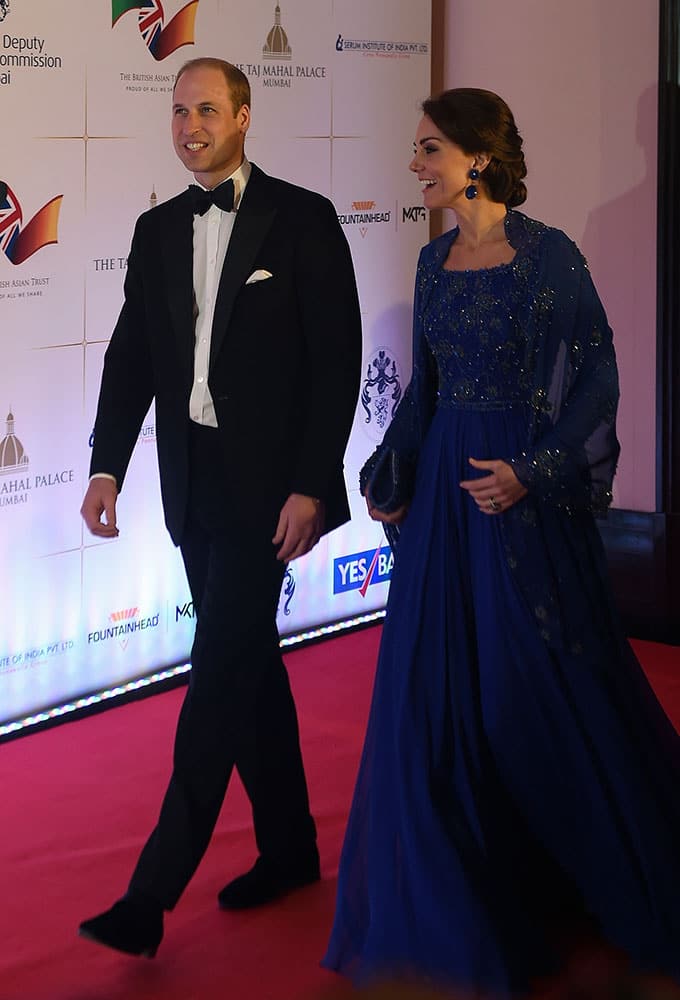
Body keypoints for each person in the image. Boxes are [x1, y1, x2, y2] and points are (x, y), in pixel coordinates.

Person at [322, 89, 680, 995]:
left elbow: (598, 379)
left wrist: (541, 469)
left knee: (540, 690)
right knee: (436, 699)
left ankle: (589, 872)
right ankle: (469, 894)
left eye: (429, 149)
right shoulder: (432, 261)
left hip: (518, 502)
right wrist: (391, 475)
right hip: (447, 499)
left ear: (479, 157)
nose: (415, 164)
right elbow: (422, 390)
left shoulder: (548, 257)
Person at [78, 57, 361, 958]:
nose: (189, 124)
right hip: (189, 483)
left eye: (207, 108)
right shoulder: (157, 228)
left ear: (244, 114)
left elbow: (337, 363)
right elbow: (131, 358)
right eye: (178, 109)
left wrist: (314, 483)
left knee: (216, 675)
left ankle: (150, 893)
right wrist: (105, 468)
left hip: (268, 491)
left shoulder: (305, 219)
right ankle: (289, 848)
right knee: (250, 665)